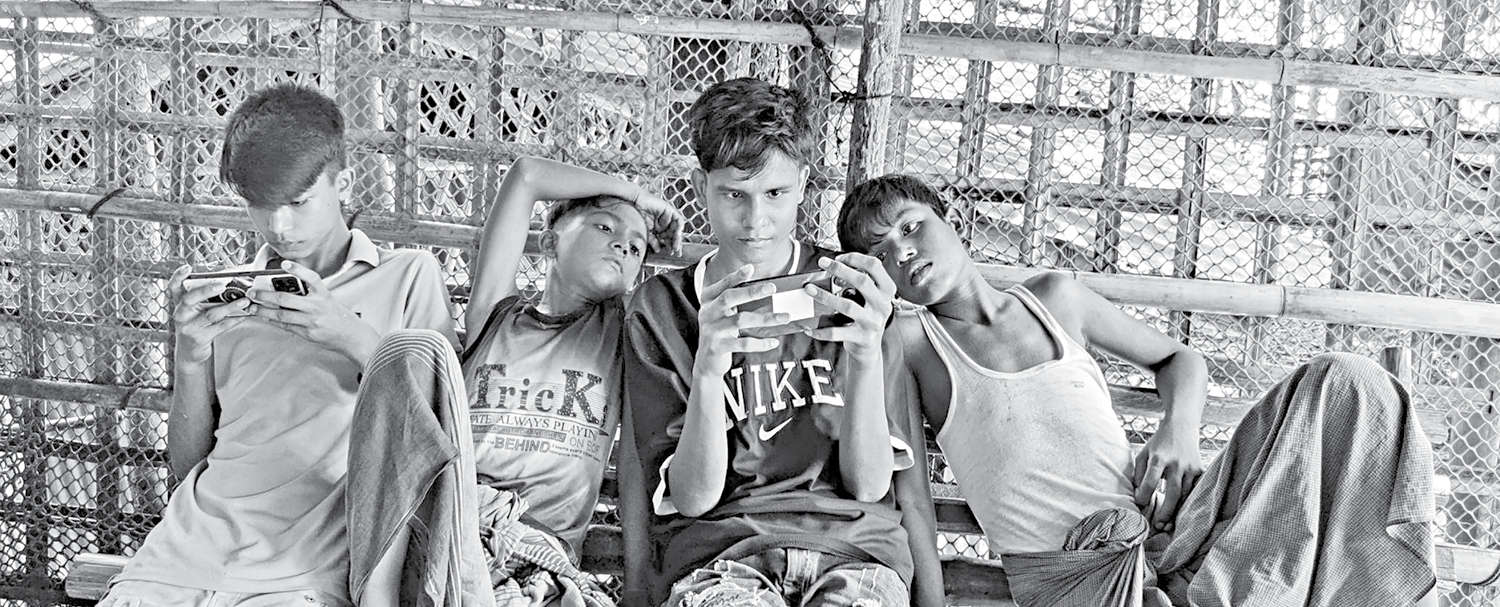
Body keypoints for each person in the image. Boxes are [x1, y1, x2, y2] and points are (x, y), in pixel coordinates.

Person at [836, 174, 1439, 606]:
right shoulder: (908, 346)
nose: (903, 251)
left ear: (951, 219)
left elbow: (1179, 360)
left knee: (1348, 383)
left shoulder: (1055, 299)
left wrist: (1178, 432)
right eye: (880, 253)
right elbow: (912, 498)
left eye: (911, 227)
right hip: (1078, 578)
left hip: (1171, 533)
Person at [101, 83, 457, 607]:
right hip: (178, 557)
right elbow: (188, 466)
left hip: (301, 575)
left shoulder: (408, 278)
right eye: (260, 206)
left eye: (297, 202)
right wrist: (191, 357)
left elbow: (441, 436)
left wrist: (350, 335)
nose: (279, 226)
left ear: (342, 184)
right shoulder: (230, 299)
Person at [623, 77, 935, 607]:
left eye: (775, 193)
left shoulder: (849, 290)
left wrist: (864, 358)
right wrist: (707, 372)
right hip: (723, 558)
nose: (756, 220)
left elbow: (869, 486)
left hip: (856, 552)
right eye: (733, 195)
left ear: (803, 184)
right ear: (700, 187)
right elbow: (693, 498)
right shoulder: (662, 308)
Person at [346, 156, 682, 607]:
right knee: (412, 349)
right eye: (605, 227)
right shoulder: (496, 317)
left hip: (537, 555)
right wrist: (637, 195)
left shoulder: (621, 333)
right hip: (452, 524)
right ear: (549, 242)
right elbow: (525, 176)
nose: (623, 245)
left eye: (637, 248)